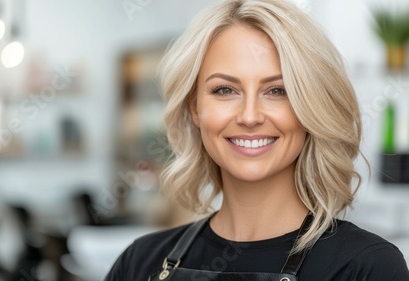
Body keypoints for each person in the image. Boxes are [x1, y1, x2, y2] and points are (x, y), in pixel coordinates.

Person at [105, 0, 409, 280]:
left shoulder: (366, 266)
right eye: (225, 90)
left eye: (277, 91)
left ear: (310, 107)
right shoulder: (139, 262)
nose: (249, 116)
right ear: (194, 108)